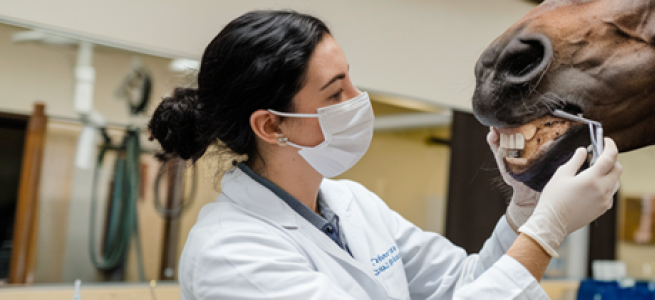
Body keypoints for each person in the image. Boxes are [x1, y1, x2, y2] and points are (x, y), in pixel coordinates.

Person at [147, 10, 622, 299]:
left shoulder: (354, 206)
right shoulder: (231, 255)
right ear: (270, 125)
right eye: (335, 94)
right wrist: (547, 230)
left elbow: (465, 285)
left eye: (351, 79)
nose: (358, 99)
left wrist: (524, 207)